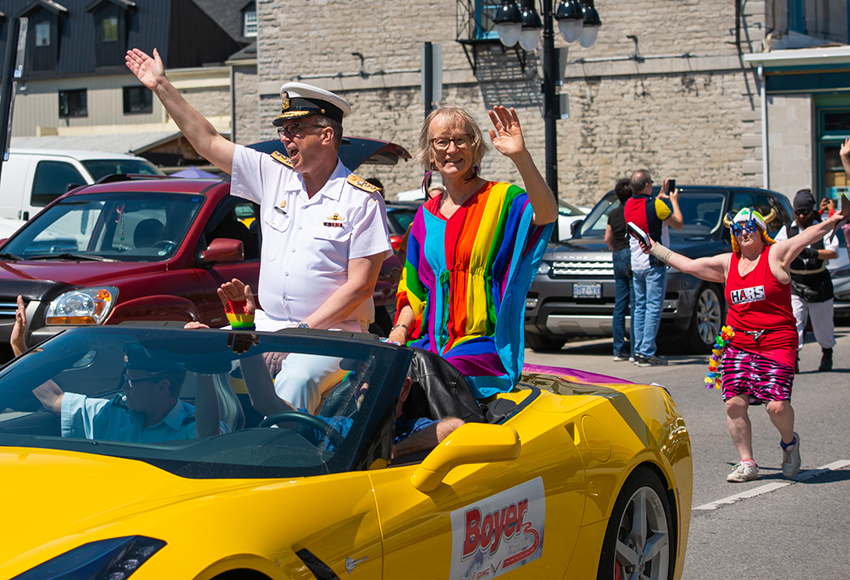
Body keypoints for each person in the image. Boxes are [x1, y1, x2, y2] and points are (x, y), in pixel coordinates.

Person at [126, 49, 392, 413]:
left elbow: (360, 286)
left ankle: (286, 461)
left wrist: (297, 336)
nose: (286, 138)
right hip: (265, 323)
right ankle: (212, 452)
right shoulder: (275, 174)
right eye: (284, 130)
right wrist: (161, 87)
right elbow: (208, 142)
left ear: (327, 135)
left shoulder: (360, 199)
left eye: (296, 129)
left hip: (333, 334)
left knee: (295, 382)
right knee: (201, 360)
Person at [635, 206, 844, 482]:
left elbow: (805, 237)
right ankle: (748, 463)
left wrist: (834, 221)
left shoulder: (776, 255)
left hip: (777, 342)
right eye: (738, 229)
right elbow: (690, 265)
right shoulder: (728, 263)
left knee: (776, 407)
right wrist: (654, 248)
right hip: (738, 342)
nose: (743, 233)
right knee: (734, 403)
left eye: (749, 228)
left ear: (760, 231)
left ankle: (789, 444)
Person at [388, 105, 558, 398]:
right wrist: (399, 331)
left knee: (439, 375)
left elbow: (546, 214)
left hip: (482, 343)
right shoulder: (423, 218)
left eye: (461, 140)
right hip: (430, 342)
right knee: (374, 375)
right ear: (430, 153)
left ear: (474, 147)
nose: (451, 149)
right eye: (441, 141)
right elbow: (413, 291)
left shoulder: (501, 199)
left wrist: (520, 156)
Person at [13, 297, 227, 442]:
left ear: (163, 386)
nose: (124, 387)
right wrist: (19, 347)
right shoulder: (111, 413)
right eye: (126, 378)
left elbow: (209, 436)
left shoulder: (193, 423)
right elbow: (53, 399)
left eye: (132, 381)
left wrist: (203, 365)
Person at [773, 189, 838, 372]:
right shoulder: (787, 230)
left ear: (812, 210)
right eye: (798, 212)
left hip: (819, 280)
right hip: (795, 280)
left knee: (823, 323)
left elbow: (833, 252)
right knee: (794, 320)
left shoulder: (823, 226)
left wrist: (813, 252)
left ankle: (827, 352)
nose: (801, 215)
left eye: (805, 212)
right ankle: (793, 357)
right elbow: (777, 249)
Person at [624, 170, 683, 367]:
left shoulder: (629, 205)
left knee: (639, 308)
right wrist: (673, 200)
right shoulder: (657, 205)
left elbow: (648, 208)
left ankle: (637, 350)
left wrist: (660, 194)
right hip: (654, 261)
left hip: (637, 263)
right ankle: (647, 352)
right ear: (648, 185)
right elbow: (678, 223)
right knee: (653, 308)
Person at [604, 178, 635, 362]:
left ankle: (618, 349)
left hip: (618, 255)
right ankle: (635, 349)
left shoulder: (613, 213)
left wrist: (615, 249)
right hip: (632, 254)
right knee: (637, 304)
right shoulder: (632, 211)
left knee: (620, 305)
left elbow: (608, 237)